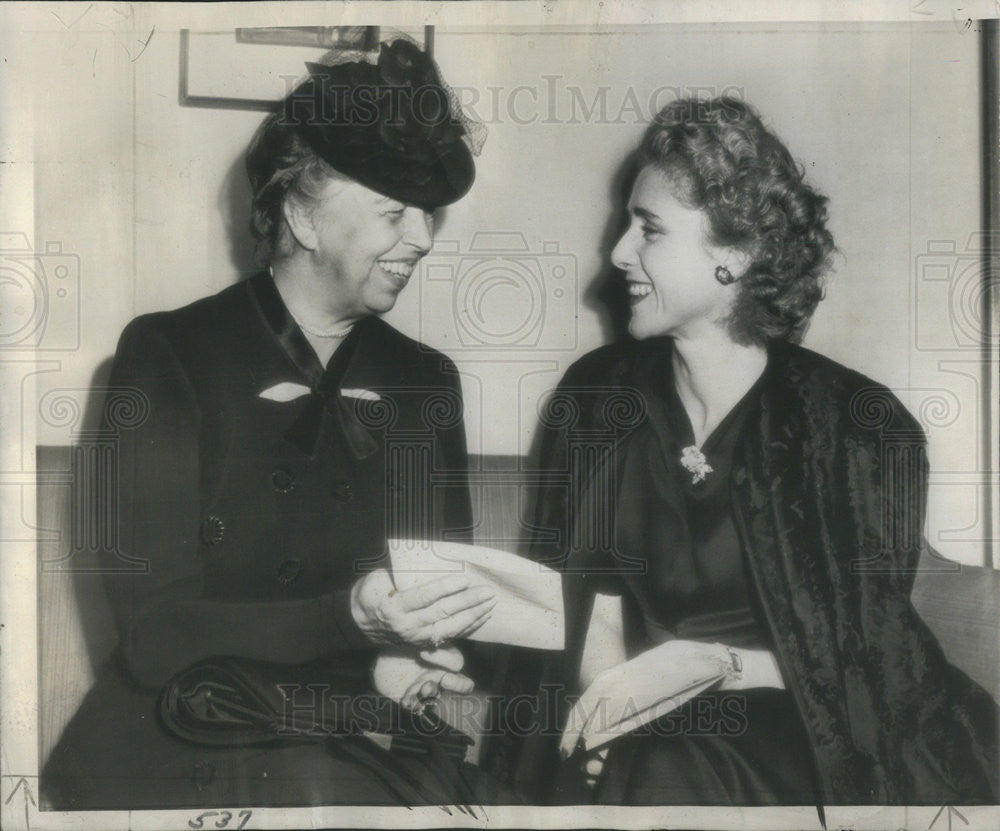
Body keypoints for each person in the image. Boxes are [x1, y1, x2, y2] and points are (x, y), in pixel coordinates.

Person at [42, 39, 505, 809]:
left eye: (429, 213)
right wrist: (349, 618)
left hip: (362, 728)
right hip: (192, 726)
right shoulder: (167, 355)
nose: (423, 239)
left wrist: (427, 661)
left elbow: (435, 606)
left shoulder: (427, 382)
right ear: (302, 214)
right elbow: (155, 636)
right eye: (395, 211)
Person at [511, 97, 998, 806]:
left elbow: (865, 673)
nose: (617, 252)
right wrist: (607, 717)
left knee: (674, 760)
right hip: (647, 741)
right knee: (649, 763)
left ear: (734, 256)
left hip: (796, 734)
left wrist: (710, 667)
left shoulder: (857, 429)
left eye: (648, 230)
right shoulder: (595, 399)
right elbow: (589, 604)